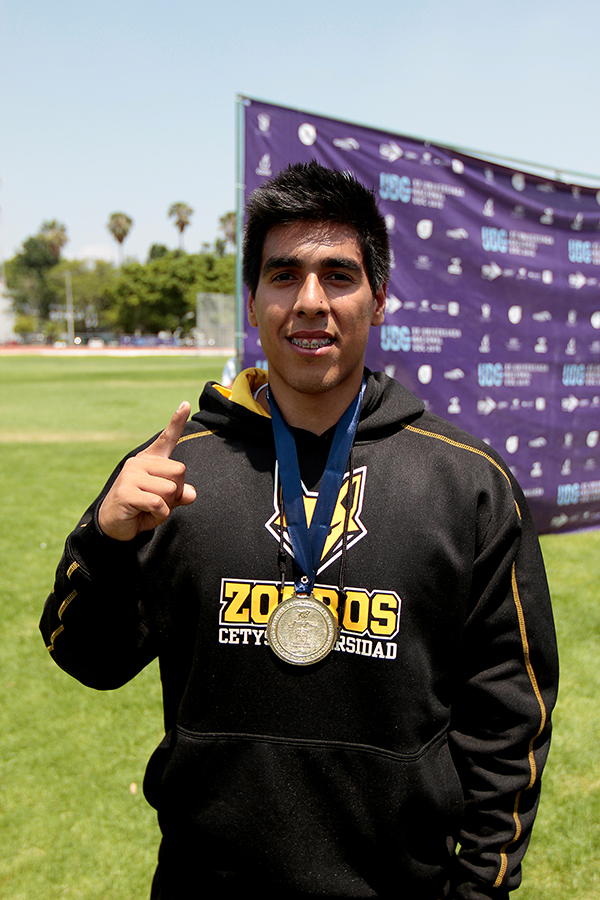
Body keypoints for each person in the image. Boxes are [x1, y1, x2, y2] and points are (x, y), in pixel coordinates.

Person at [41, 161, 558, 900]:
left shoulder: (467, 483)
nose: (310, 301)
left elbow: (508, 718)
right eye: (283, 275)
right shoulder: (173, 473)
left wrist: (480, 890)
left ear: (379, 299)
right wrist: (106, 539)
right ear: (253, 303)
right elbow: (86, 656)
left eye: (338, 275)